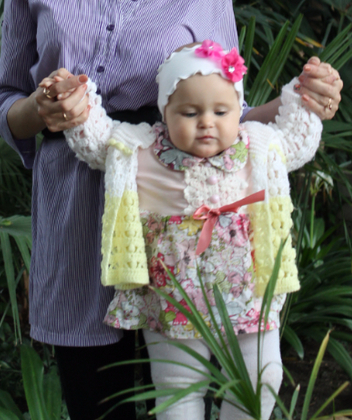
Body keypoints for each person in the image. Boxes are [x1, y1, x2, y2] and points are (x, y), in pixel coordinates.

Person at [0, 0, 342, 420]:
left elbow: (226, 122)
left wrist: (301, 102)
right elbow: (4, 101)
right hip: (78, 234)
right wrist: (41, 110)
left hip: (185, 246)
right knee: (97, 407)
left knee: (185, 406)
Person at [62, 41, 323, 420]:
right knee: (177, 393)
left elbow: (297, 138)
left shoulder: (256, 144)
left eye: (221, 111)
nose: (206, 122)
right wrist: (76, 100)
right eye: (189, 112)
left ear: (238, 110)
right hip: (173, 303)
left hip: (248, 296)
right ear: (165, 112)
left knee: (263, 378)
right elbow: (98, 139)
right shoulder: (142, 149)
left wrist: (304, 92)